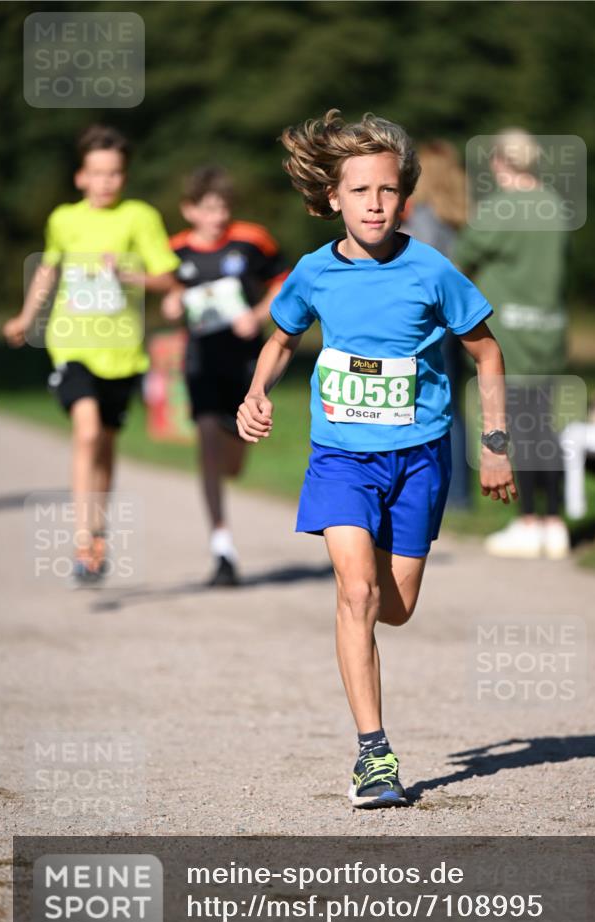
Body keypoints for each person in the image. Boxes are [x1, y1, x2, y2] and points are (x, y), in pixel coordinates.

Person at [237, 110, 516, 808]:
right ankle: (373, 755)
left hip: (418, 458)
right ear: (332, 197)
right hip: (341, 458)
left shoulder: (432, 269)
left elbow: (485, 352)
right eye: (359, 191)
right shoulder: (312, 272)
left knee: (396, 606)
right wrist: (255, 392)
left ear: (405, 198)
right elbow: (279, 338)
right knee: (355, 592)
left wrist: (496, 445)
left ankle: (372, 712)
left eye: (386, 191)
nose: (373, 203)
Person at [3, 125, 180, 583]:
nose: (106, 182)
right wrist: (26, 317)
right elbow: (48, 267)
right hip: (72, 343)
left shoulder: (139, 217)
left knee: (105, 442)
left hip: (122, 352)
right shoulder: (64, 219)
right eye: (97, 173)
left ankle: (97, 529)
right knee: (85, 432)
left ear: (124, 176)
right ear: (81, 176)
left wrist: (128, 274)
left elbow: (166, 278)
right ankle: (84, 540)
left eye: (115, 173)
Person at [161, 166, 288, 586]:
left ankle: (232, 463)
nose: (217, 217)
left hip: (248, 362)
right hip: (201, 361)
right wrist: (172, 305)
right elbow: (169, 292)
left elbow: (284, 284)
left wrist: (257, 315)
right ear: (189, 210)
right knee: (208, 445)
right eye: (208, 209)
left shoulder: (252, 240)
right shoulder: (175, 249)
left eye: (223, 208)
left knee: (233, 460)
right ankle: (222, 547)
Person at [453, 129, 570, 559]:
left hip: (511, 334)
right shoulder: (555, 207)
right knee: (545, 426)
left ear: (501, 162)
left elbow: (460, 260)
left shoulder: (499, 209)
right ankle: (554, 523)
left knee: (517, 426)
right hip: (550, 331)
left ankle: (526, 520)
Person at [403, 140, 472, 509]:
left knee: (425, 404)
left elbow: (418, 270)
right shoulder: (460, 215)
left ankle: (441, 494)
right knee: (453, 406)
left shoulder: (423, 217)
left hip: (431, 321)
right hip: (459, 318)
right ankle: (460, 494)